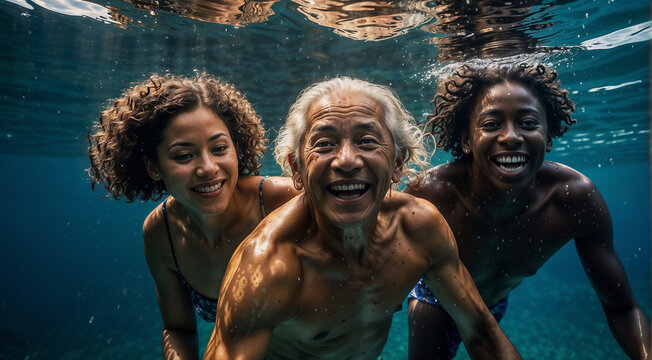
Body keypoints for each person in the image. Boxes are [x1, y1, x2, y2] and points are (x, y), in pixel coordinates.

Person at [203, 77, 522, 360]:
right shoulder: (268, 265)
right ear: (296, 170)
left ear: (398, 163)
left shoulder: (419, 228)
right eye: (324, 144)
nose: (346, 160)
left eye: (367, 141)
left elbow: (482, 333)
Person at [406, 64, 650, 359]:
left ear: (548, 137)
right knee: (429, 317)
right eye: (492, 124)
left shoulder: (574, 199)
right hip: (435, 299)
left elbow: (622, 307)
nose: (511, 136)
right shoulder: (432, 195)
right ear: (466, 140)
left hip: (495, 300)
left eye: (528, 123)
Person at [87, 73, 301, 359]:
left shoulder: (283, 200)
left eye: (219, 148)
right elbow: (178, 329)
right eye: (184, 156)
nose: (208, 167)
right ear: (153, 167)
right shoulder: (161, 232)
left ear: (236, 148)